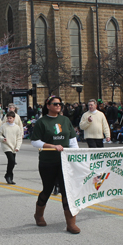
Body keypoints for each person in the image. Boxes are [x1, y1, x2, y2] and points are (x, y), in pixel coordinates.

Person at [31, 96, 80, 234]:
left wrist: (76, 156)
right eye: (55, 104)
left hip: (65, 162)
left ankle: (71, 223)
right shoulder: (42, 122)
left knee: (67, 191)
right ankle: (39, 215)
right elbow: (35, 142)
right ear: (48, 105)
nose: (58, 106)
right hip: (48, 161)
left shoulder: (65, 120)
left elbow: (72, 140)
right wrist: (52, 146)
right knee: (47, 189)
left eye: (60, 104)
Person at [0, 111, 22, 184]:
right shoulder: (4, 126)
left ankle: (9, 175)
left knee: (12, 163)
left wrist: (18, 147)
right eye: (8, 118)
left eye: (10, 118)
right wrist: (2, 139)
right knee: (11, 160)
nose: (9, 119)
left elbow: (19, 138)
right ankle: (8, 176)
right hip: (6, 145)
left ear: (14, 118)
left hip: (14, 146)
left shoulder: (17, 127)